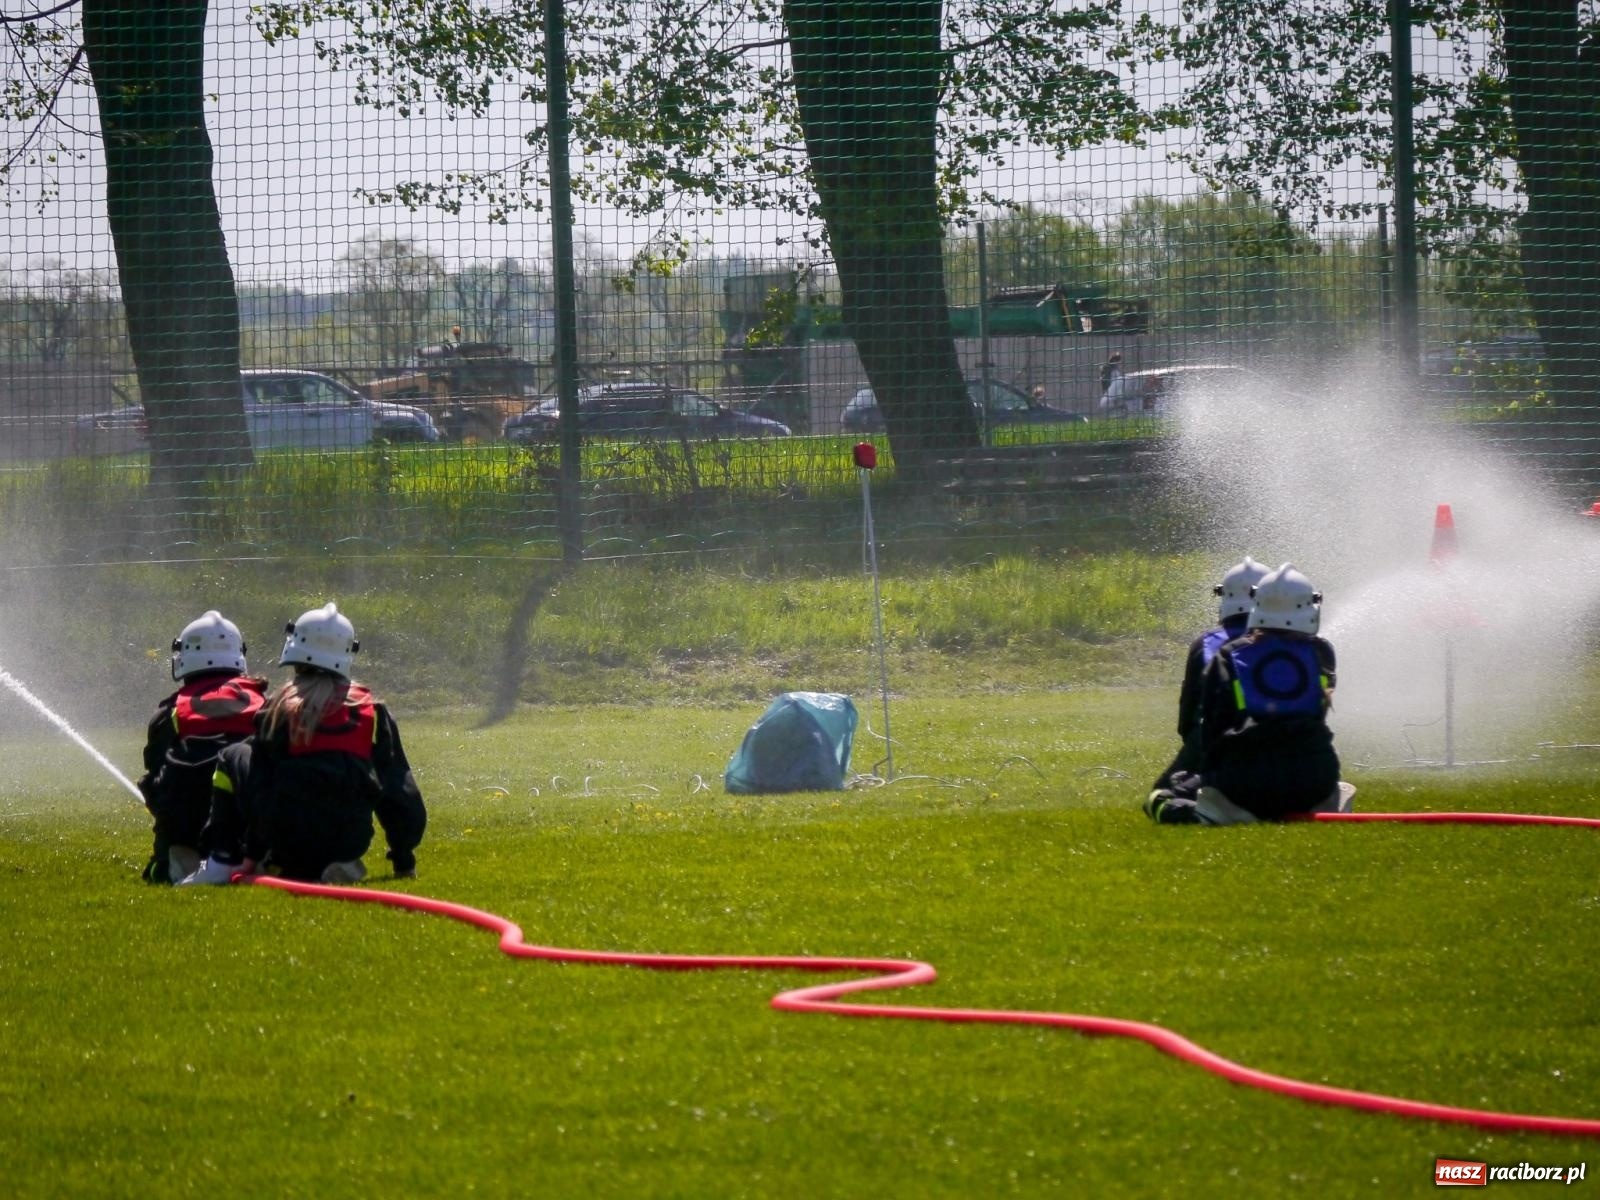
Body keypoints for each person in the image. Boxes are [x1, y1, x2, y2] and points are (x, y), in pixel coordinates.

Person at [178, 602, 427, 886]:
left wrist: (253, 855)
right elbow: (400, 791)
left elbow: (261, 783)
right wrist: (404, 860)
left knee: (233, 754)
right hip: (349, 839)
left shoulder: (280, 706)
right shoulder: (371, 712)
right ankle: (336, 863)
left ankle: (222, 860)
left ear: (293, 646)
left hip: (285, 838)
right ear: (347, 651)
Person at [1145, 564, 1345, 825]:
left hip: (1244, 781)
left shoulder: (1229, 654)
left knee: (1161, 797)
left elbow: (1211, 729)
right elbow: (1317, 719)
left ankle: (1219, 811)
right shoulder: (1322, 653)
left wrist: (1210, 777)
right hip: (1316, 777)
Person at [137, 611, 269, 884]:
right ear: (238, 653)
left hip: (187, 837)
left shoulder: (170, 714)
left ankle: (164, 864)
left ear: (184, 655)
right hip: (253, 842)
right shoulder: (266, 706)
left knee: (154, 787)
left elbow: (158, 782)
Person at [1151, 557, 1268, 792]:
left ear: (1225, 596)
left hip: (1214, 742)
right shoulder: (1287, 643)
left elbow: (1189, 709)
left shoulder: (1205, 644)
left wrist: (1194, 749)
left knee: (1162, 794)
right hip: (1279, 743)